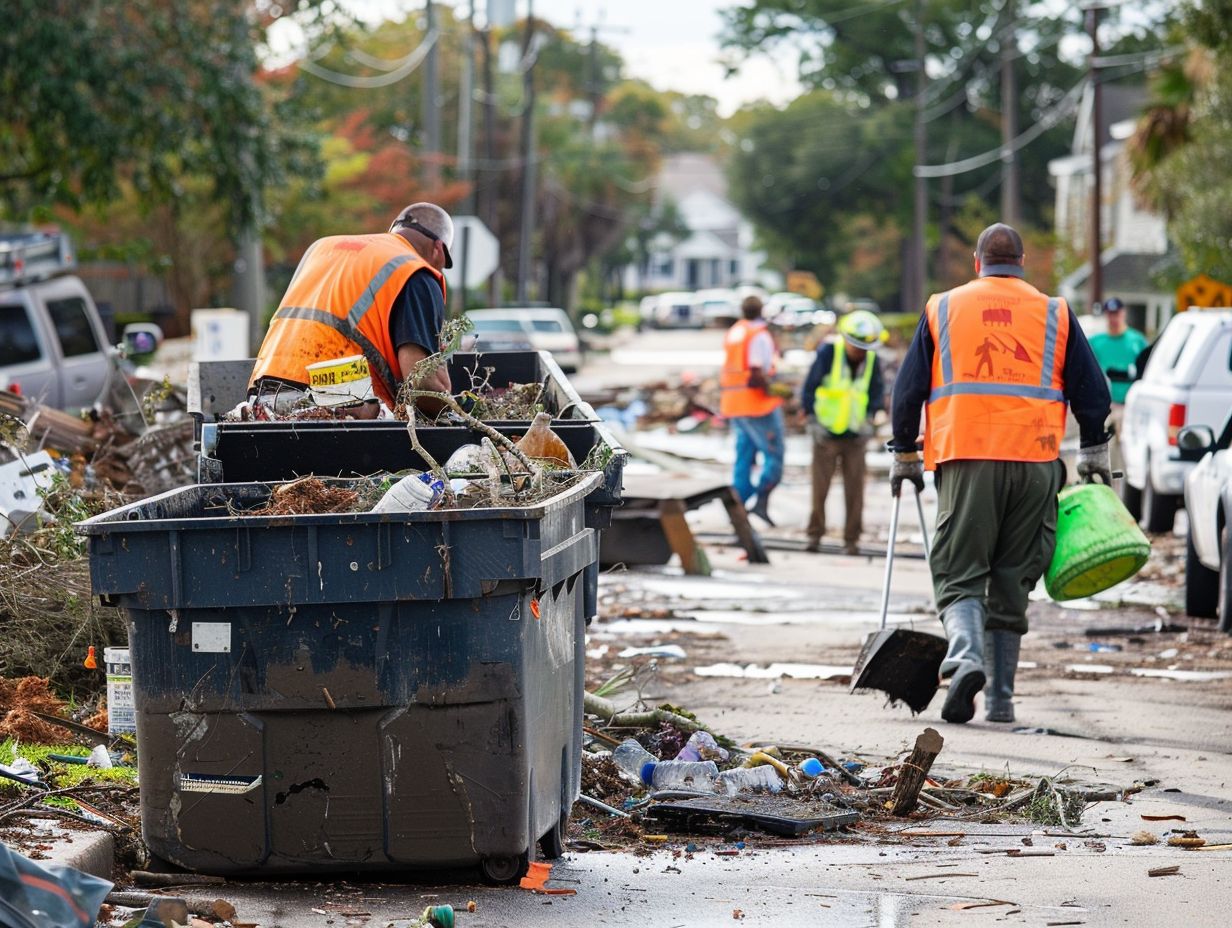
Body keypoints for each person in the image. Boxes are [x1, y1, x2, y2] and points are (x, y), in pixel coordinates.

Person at [890, 223, 1111, 725]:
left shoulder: (943, 307)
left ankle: (965, 658)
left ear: (977, 262)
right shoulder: (1054, 311)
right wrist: (1095, 447)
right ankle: (1001, 700)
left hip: (967, 457)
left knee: (959, 570)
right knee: (1013, 577)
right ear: (1023, 262)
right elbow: (1091, 389)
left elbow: (907, 390)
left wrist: (905, 452)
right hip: (1035, 463)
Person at [248, 202, 455, 414]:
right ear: (438, 250)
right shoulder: (415, 272)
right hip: (335, 403)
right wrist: (452, 406)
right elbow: (419, 386)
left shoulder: (320, 248)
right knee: (381, 415)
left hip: (265, 392)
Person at [800, 310, 885, 555]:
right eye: (856, 346)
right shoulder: (829, 353)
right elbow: (809, 388)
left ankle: (852, 540)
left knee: (855, 491)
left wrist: (871, 418)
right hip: (826, 434)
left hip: (855, 435)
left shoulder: (870, 360)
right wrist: (813, 421)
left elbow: (876, 393)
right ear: (846, 340)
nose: (860, 352)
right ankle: (814, 536)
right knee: (819, 490)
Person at [719, 295, 785, 525]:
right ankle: (760, 502)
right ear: (762, 311)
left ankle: (737, 507)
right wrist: (779, 389)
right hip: (757, 405)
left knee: (744, 458)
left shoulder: (736, 332)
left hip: (734, 405)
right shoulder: (758, 336)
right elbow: (756, 373)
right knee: (774, 456)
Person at [1088, 297, 1148, 404]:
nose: (1113, 318)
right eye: (1110, 314)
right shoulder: (1095, 341)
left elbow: (1147, 369)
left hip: (1130, 401)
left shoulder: (1137, 340)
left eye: (1116, 314)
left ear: (1123, 313)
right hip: (1104, 401)